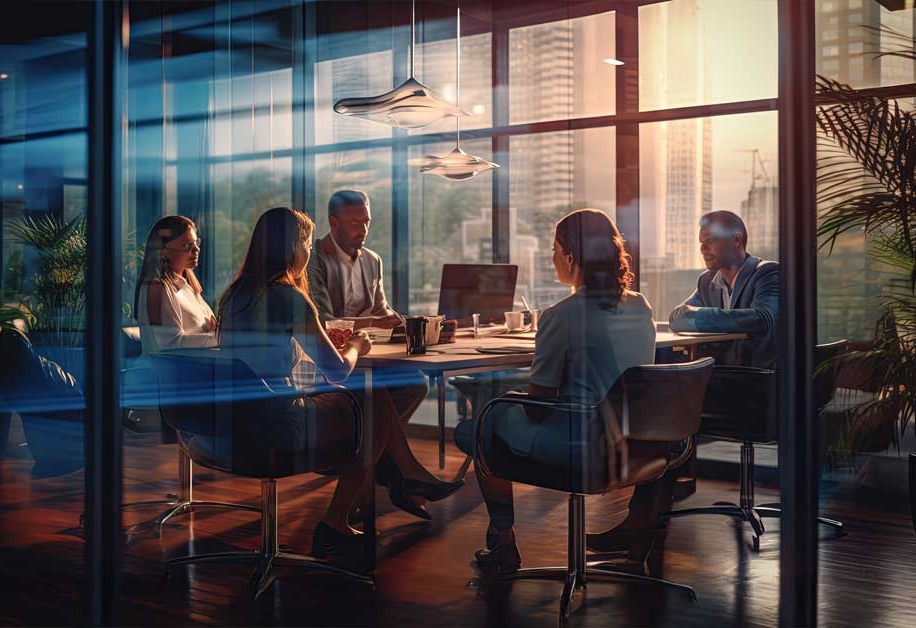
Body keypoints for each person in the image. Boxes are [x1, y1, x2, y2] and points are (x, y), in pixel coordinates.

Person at [217, 207, 462, 561]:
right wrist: (356, 346)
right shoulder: (288, 296)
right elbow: (337, 371)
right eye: (306, 244)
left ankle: (403, 474)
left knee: (370, 398)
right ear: (292, 247)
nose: (309, 253)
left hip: (232, 424)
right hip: (279, 426)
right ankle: (342, 515)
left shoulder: (236, 296)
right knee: (371, 398)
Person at [453, 209, 663, 574]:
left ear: (570, 255)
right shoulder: (640, 305)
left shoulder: (561, 315)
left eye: (553, 250)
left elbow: (537, 408)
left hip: (584, 446)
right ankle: (637, 538)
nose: (552, 259)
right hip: (639, 445)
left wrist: (512, 393)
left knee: (479, 426)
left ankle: (504, 544)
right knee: (496, 415)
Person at [307, 189, 432, 519]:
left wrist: (396, 319)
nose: (362, 230)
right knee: (374, 393)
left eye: (366, 222)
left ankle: (375, 458)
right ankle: (387, 469)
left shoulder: (372, 260)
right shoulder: (313, 259)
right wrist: (373, 321)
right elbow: (319, 319)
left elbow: (380, 307)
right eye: (353, 224)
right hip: (330, 357)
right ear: (333, 223)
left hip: (365, 352)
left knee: (415, 382)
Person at [668, 210, 779, 369]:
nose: (703, 248)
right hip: (719, 375)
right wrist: (689, 316)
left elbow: (762, 318)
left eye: (711, 240)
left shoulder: (767, 272)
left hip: (759, 378)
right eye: (701, 242)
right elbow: (676, 317)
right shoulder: (706, 281)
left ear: (736, 239)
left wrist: (697, 317)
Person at [134, 215, 217, 354]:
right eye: (187, 244)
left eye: (197, 242)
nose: (196, 249)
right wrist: (218, 338)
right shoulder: (157, 288)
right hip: (164, 374)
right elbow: (169, 344)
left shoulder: (188, 288)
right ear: (164, 250)